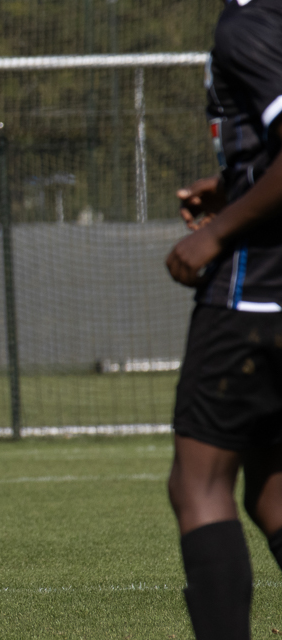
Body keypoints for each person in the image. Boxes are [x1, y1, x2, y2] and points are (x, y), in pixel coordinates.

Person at [164, 0, 282, 637]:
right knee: (272, 489)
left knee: (199, 485)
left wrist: (216, 233)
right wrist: (235, 183)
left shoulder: (249, 22)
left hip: (253, 297)